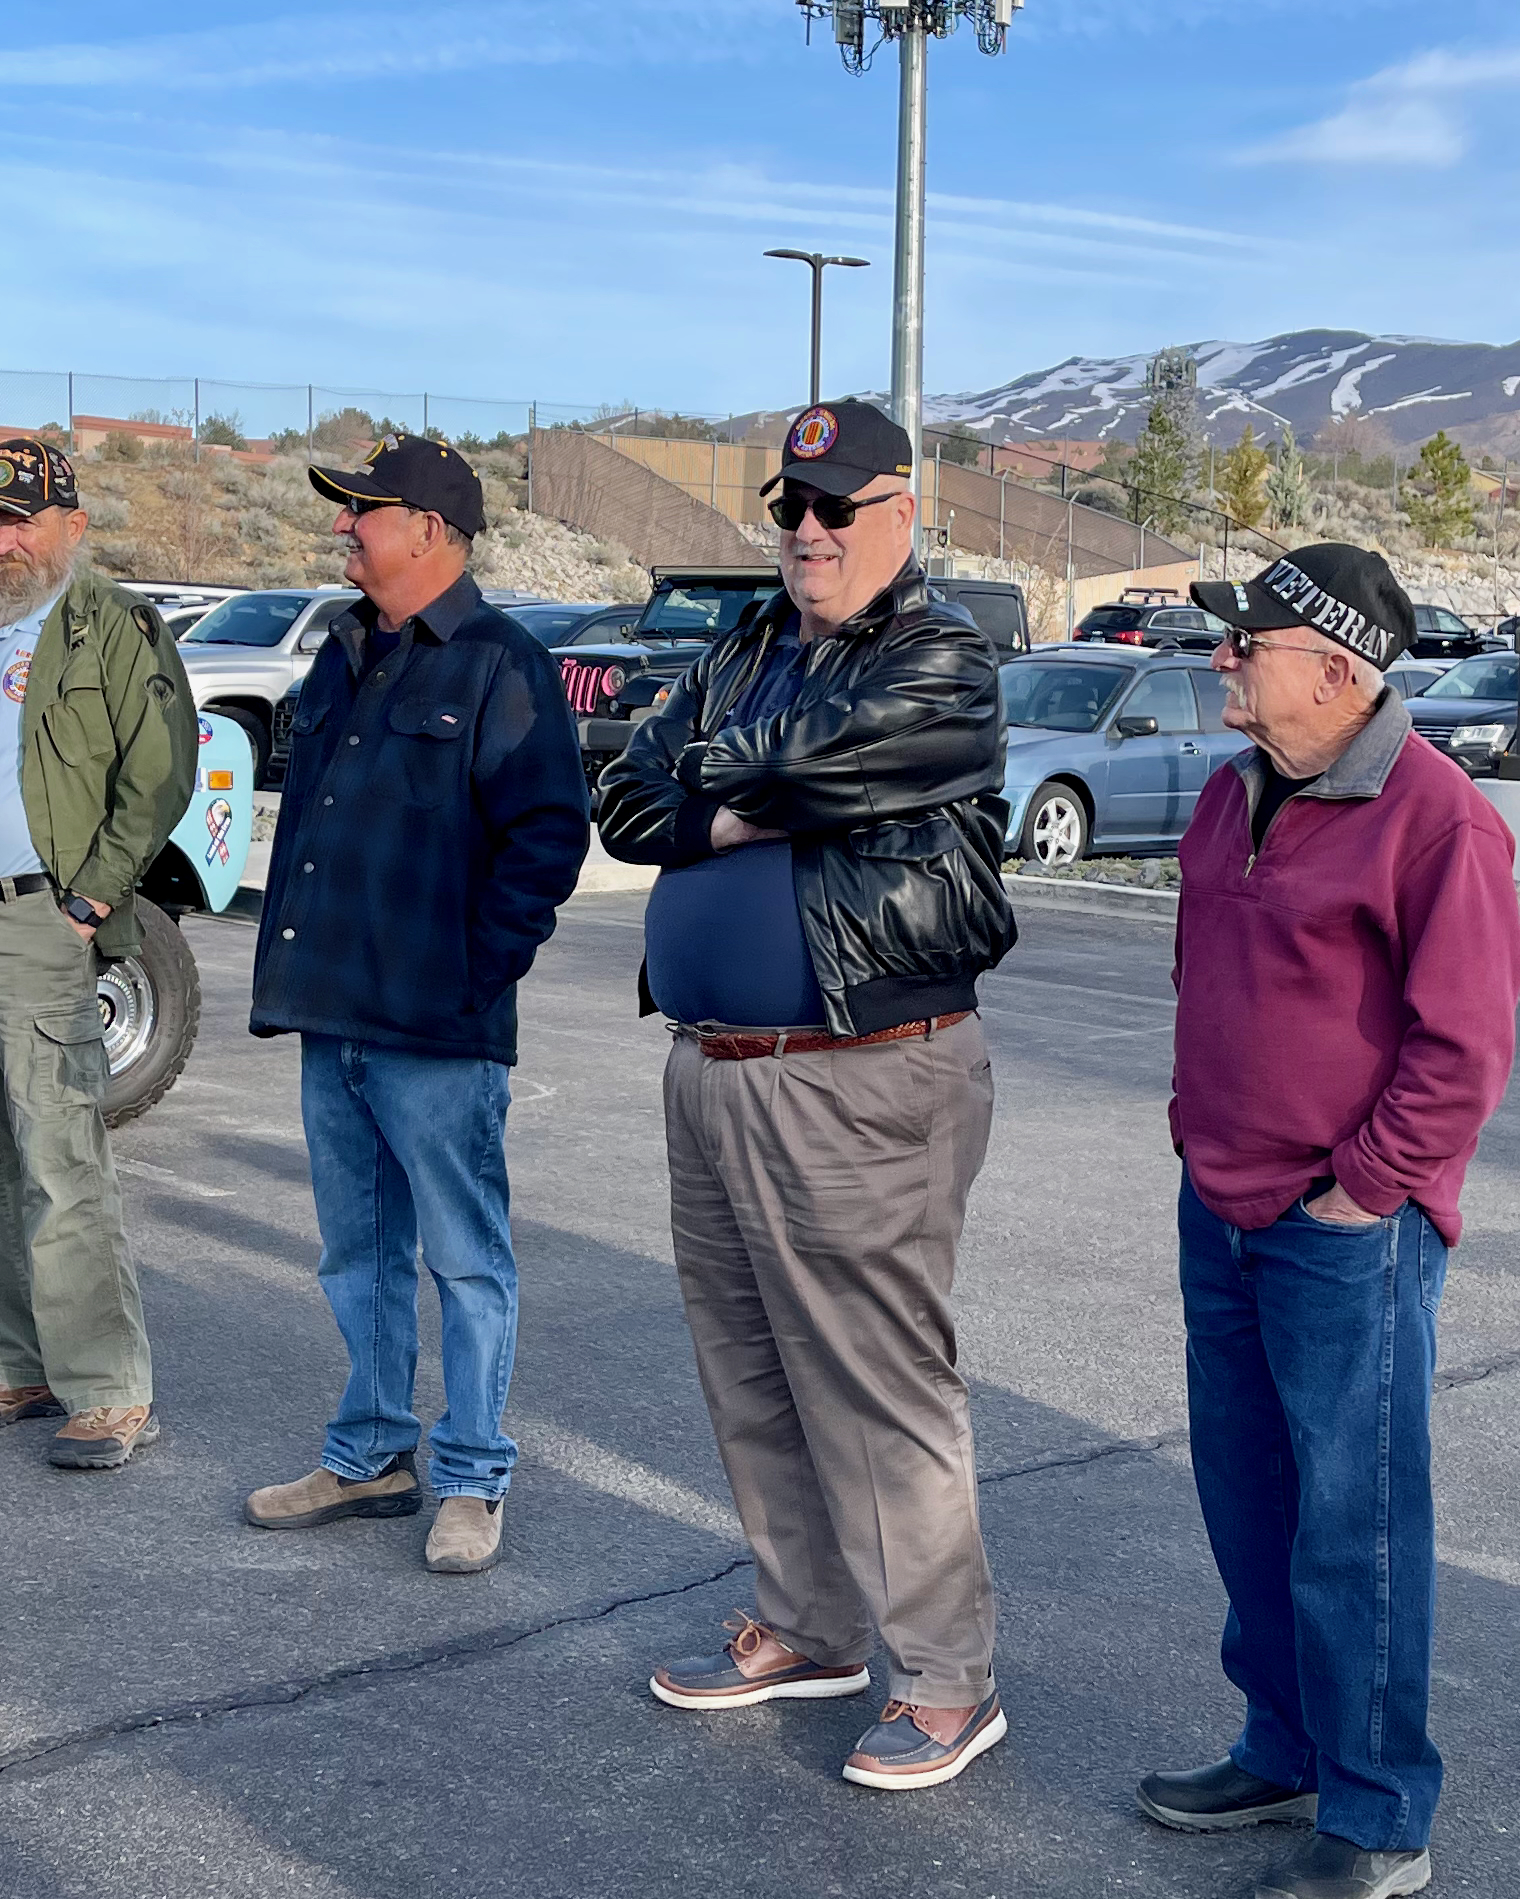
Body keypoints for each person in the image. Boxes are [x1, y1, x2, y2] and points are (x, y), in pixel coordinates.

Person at [592, 400, 1018, 1790]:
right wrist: (748, 793)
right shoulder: (745, 644)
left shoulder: (942, 653)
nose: (810, 531)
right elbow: (629, 799)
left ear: (903, 510)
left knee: (879, 1381)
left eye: (837, 506)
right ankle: (811, 1623)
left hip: (861, 1072)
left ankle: (946, 1680)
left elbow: (822, 761)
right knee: (751, 1365)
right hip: (714, 1066)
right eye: (791, 507)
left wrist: (731, 780)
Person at [1140, 548, 1520, 1899]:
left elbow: (1462, 1051)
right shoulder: (1233, 790)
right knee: (1249, 1496)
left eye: (1249, 644)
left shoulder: (1441, 822)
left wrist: (1362, 1186)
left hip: (1344, 1228)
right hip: (1221, 1203)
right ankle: (1284, 1745)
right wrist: (1199, 1128)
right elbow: (1203, 972)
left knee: (1354, 1526)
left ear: (1340, 671)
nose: (1224, 660)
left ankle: (1377, 1817)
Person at [241, 434, 587, 1575]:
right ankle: (370, 1455)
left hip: (437, 1032)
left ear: (430, 530)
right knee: (359, 1254)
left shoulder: (501, 664)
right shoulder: (345, 653)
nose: (344, 527)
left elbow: (546, 842)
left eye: (364, 511)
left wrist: (473, 978)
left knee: (466, 1260)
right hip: (334, 1012)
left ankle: (473, 1476)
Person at [0, 436, 198, 1471]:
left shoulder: (112, 625)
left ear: (72, 524)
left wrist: (90, 899)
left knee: (60, 1161)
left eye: (21, 521)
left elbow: (159, 774)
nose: (2, 541)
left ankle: (108, 1390)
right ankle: (17, 1362)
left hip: (39, 925)